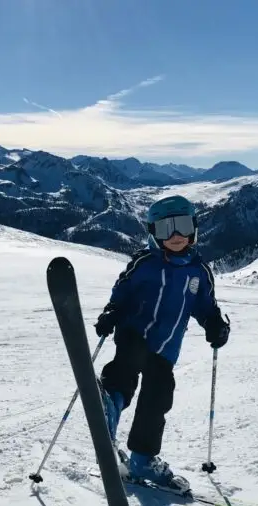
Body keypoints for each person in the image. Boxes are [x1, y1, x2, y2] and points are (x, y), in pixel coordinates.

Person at [93, 195, 230, 490]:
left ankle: (142, 459)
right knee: (127, 364)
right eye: (166, 228)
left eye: (181, 226)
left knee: (158, 397)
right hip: (134, 333)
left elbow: (205, 307)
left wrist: (215, 324)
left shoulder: (199, 271)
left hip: (166, 348)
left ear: (193, 228)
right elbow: (122, 292)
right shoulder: (144, 263)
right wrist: (111, 312)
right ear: (153, 233)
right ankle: (109, 404)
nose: (176, 235)